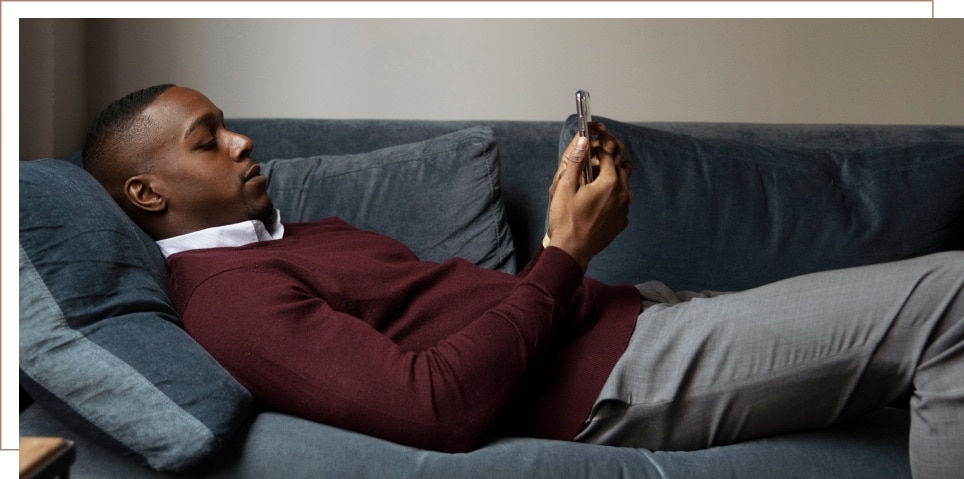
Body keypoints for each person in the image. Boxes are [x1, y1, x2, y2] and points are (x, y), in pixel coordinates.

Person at [83, 84, 963, 478]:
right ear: (149, 192)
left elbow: (477, 314)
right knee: (952, 299)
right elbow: (433, 406)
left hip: (634, 318)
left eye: (228, 125)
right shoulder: (228, 299)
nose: (241, 142)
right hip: (620, 375)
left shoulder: (291, 235)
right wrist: (565, 253)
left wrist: (564, 228)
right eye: (208, 140)